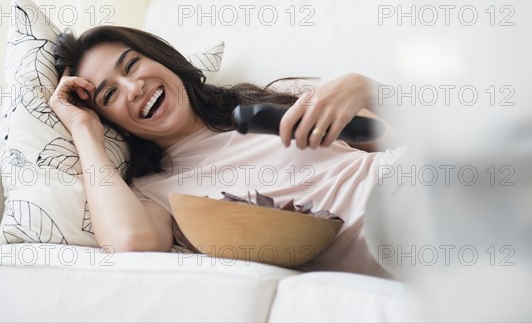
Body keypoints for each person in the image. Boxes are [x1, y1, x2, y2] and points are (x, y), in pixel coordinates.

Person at [50, 26, 403, 276]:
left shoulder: (278, 97)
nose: (134, 87)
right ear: (110, 120)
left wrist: (364, 87)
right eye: (109, 95)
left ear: (163, 57)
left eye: (131, 65)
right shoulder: (154, 191)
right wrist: (84, 130)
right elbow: (130, 241)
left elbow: (413, 136)